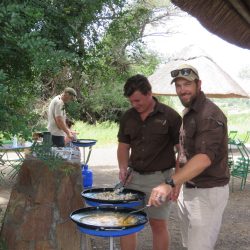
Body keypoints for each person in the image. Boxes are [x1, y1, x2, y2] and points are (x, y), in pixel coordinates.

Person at [148, 64, 230, 250]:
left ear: (198, 84)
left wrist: (169, 183)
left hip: (208, 191)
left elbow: (203, 158)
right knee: (189, 244)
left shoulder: (209, 114)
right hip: (188, 187)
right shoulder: (189, 112)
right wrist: (178, 182)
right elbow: (184, 153)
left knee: (199, 246)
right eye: (178, 85)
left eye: (187, 84)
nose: (182, 90)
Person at [117, 74, 182, 250]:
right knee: (127, 224)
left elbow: (181, 152)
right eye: (131, 102)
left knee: (158, 225)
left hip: (160, 180)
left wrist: (176, 181)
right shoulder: (128, 117)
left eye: (138, 100)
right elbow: (123, 146)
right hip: (133, 178)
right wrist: (123, 167)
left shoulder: (171, 116)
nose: (134, 105)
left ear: (149, 93)